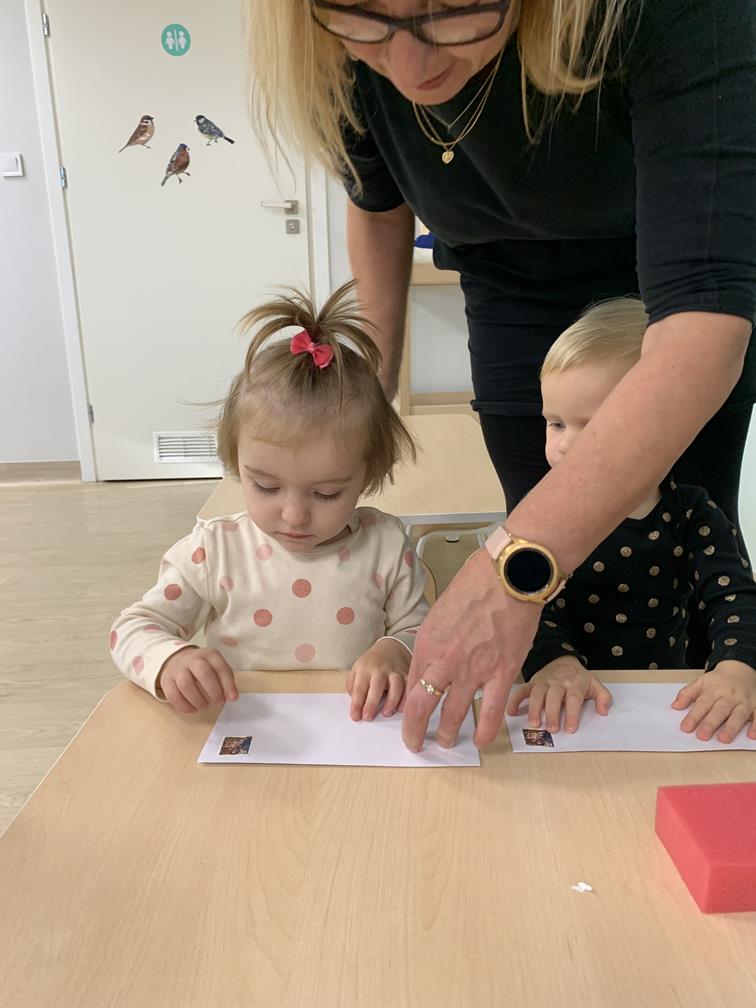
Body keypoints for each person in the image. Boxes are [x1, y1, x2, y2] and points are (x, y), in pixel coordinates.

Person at [248, 1, 756, 751]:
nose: (411, 69)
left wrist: (516, 569)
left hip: (664, 285)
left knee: (664, 535)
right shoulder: (339, 50)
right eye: (366, 22)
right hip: (504, 282)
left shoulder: (669, 16)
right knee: (536, 531)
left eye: (455, 14)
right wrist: (365, 400)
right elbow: (377, 203)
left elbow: (702, 327)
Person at [110, 283, 428, 721]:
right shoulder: (214, 550)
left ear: (368, 474)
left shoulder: (387, 545)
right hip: (245, 730)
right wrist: (171, 660)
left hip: (355, 730)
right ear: (236, 462)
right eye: (265, 486)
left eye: (327, 493)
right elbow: (131, 628)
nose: (294, 515)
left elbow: (421, 629)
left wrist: (395, 649)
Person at [506, 298, 756, 744]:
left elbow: (734, 597)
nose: (564, 446)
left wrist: (736, 669)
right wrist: (554, 663)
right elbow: (525, 605)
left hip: (664, 706)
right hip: (569, 703)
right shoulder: (540, 513)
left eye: (592, 426)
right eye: (556, 423)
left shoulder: (693, 513)